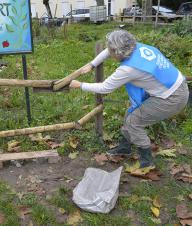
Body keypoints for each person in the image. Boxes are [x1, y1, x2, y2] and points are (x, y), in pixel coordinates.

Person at [70, 30, 189, 168]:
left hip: (172, 97)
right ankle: (125, 147)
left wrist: (80, 85)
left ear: (118, 52)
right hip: (172, 85)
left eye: (111, 50)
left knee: (134, 122)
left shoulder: (128, 69)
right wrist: (92, 64)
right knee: (130, 113)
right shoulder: (134, 46)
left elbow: (105, 88)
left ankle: (147, 160)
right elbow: (110, 50)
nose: (109, 52)